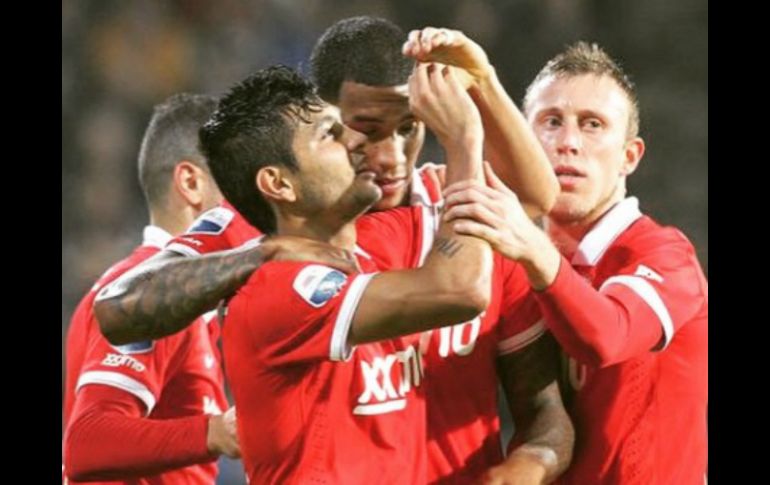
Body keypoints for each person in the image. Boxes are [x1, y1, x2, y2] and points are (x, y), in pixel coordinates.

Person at [95, 18, 572, 484]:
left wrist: (482, 81)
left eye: (409, 128)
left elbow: (536, 197)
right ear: (327, 118)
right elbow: (119, 308)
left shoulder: (455, 205)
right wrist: (258, 255)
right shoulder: (262, 231)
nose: (390, 157)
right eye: (365, 130)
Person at [202, 63, 494, 483]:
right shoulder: (278, 287)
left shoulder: (369, 250)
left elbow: (535, 199)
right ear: (280, 184)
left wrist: (484, 79)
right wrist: (464, 142)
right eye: (330, 135)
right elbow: (461, 290)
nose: (357, 141)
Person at [441, 42, 708, 484]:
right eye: (551, 122)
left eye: (592, 125)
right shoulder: (507, 263)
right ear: (521, 142)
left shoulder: (664, 255)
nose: (567, 143)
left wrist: (533, 247)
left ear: (629, 156)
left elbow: (605, 338)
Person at [62, 93, 239, 483]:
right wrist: (216, 431)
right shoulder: (153, 298)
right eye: (239, 178)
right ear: (191, 183)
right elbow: (87, 442)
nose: (255, 199)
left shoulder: (168, 295)